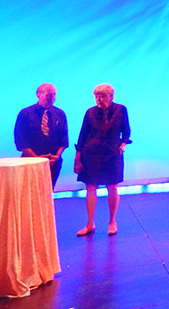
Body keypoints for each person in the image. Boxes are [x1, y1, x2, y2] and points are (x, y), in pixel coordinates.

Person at [75, 83, 132, 237]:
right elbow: (83, 134)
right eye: (96, 96)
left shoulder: (121, 110)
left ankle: (112, 221)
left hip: (113, 153)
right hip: (91, 153)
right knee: (91, 187)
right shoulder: (90, 112)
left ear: (111, 97)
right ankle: (89, 223)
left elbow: (126, 131)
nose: (99, 99)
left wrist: (123, 144)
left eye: (102, 96)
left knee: (112, 186)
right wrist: (78, 155)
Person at [14, 83, 68, 188]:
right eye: (48, 95)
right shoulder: (25, 113)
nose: (52, 98)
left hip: (53, 161)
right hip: (30, 161)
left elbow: (63, 138)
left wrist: (57, 156)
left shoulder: (60, 113)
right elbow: (20, 139)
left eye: (54, 95)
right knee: (31, 191)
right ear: (38, 95)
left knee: (48, 191)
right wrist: (36, 159)